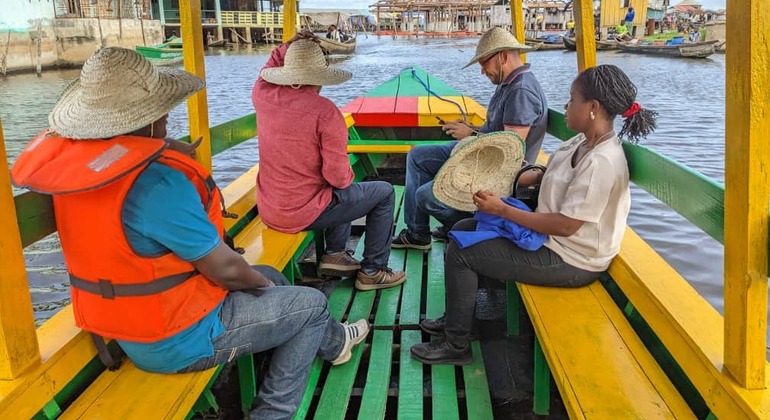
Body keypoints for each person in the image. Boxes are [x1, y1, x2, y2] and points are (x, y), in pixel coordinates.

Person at [10, 47, 370, 419]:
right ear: (148, 119)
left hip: (124, 329)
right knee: (310, 305)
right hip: (179, 339)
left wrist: (164, 146)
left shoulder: (83, 175)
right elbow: (226, 271)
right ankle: (273, 412)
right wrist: (257, 287)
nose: (169, 116)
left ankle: (336, 343)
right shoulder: (157, 184)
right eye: (163, 110)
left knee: (273, 276)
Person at [409, 64, 658, 365]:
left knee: (461, 251)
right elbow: (549, 176)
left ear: (592, 108)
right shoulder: (580, 142)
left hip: (572, 259)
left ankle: (457, 344)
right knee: (465, 225)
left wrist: (501, 209)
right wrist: (517, 177)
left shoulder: (602, 162)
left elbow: (566, 225)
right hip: (552, 242)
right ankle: (462, 316)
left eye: (572, 99)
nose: (565, 106)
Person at [252, 31, 406, 290]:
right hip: (302, 212)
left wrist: (289, 45)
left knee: (338, 189)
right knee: (381, 192)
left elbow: (265, 72)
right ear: (320, 78)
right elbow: (338, 177)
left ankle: (335, 253)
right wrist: (343, 174)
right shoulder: (326, 113)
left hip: (270, 209)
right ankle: (373, 271)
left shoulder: (263, 96)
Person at [391, 27, 548, 249]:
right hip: (483, 158)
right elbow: (497, 134)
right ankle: (418, 235)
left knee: (425, 196)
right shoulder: (509, 84)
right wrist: (469, 127)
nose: (482, 71)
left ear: (503, 56)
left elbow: (509, 153)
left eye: (484, 63)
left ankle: (463, 225)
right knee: (418, 155)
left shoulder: (521, 91)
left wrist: (471, 134)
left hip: (497, 175)